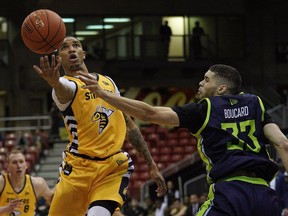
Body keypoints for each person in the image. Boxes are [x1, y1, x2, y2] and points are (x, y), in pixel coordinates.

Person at [78, 64, 288, 216]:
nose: (200, 82)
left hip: (230, 192)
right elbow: (283, 144)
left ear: (221, 89)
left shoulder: (205, 108)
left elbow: (150, 114)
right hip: (264, 194)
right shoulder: (256, 104)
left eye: (206, 79)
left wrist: (105, 95)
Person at [32, 36, 167, 216]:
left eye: (76, 45)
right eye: (65, 47)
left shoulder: (108, 82)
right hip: (78, 168)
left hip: (112, 166)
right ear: (59, 58)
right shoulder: (67, 86)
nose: (71, 49)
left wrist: (151, 164)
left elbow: (130, 125)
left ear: (84, 54)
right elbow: (62, 89)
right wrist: (54, 82)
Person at [0, 149, 54, 215]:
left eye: (21, 162)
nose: (19, 166)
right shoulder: (1, 183)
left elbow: (53, 201)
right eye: (14, 162)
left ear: (26, 165)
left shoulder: (37, 184)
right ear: (8, 167)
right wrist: (7, 208)